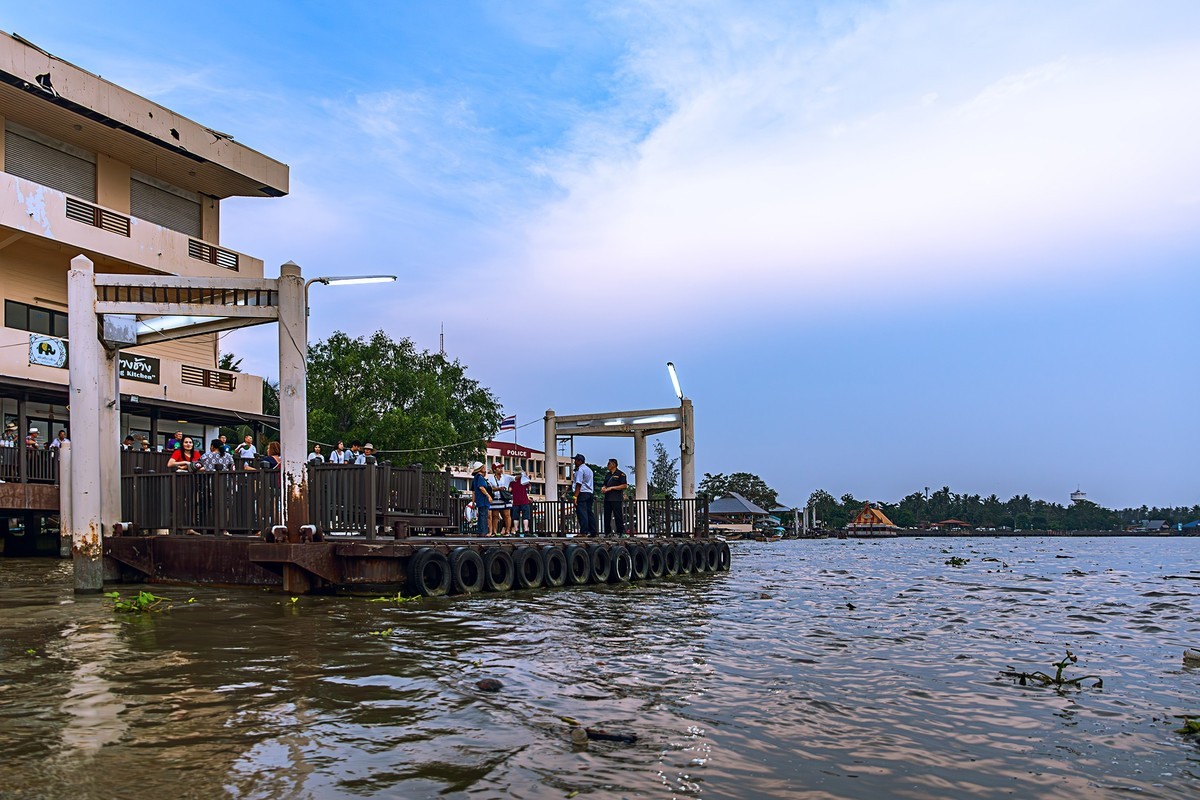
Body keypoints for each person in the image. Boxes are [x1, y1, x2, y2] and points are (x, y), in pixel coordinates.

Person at [601, 458, 628, 537]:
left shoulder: (620, 474)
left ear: (613, 464)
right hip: (607, 498)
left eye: (609, 464)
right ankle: (607, 532)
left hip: (616, 498)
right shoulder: (608, 474)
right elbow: (605, 484)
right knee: (607, 516)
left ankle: (621, 532)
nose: (607, 465)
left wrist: (612, 488)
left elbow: (624, 485)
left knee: (618, 515)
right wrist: (603, 487)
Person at [487, 460, 513, 535]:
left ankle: (508, 531)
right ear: (494, 470)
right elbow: (490, 488)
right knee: (495, 516)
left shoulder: (506, 477)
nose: (501, 469)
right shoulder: (490, 478)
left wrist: (522, 475)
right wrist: (498, 489)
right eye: (499, 468)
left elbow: (515, 478)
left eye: (501, 468)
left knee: (507, 515)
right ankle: (494, 531)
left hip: (504, 498)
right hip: (495, 498)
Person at [572, 454, 597, 535]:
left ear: (580, 461)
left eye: (575, 460)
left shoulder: (580, 470)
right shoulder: (589, 470)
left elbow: (578, 484)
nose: (574, 462)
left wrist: (575, 496)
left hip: (582, 493)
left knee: (582, 513)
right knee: (589, 512)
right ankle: (593, 531)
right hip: (589, 493)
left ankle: (584, 532)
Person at [470, 461, 493, 535]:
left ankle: (480, 532)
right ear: (480, 469)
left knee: (481, 515)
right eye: (483, 467)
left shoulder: (475, 478)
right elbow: (481, 487)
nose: (484, 468)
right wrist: (488, 495)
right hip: (483, 500)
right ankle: (483, 532)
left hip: (479, 500)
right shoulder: (480, 477)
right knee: (483, 515)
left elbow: (473, 492)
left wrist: (473, 502)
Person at [510, 467, 533, 535]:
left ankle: (516, 530)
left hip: (515, 501)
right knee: (525, 516)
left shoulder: (512, 480)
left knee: (515, 517)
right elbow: (529, 488)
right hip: (524, 500)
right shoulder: (524, 480)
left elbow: (510, 490)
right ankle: (526, 530)